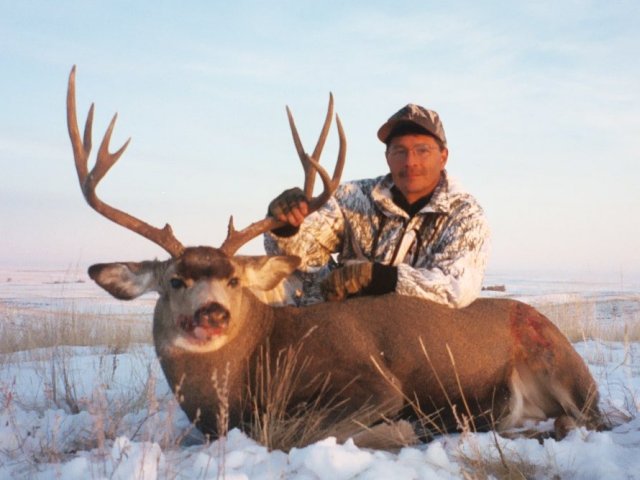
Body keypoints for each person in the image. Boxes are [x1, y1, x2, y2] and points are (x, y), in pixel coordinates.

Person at [264, 103, 490, 308]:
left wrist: (380, 278)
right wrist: (286, 225)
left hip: (416, 334)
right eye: (399, 151)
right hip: (342, 322)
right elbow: (295, 257)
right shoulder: (352, 197)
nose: (410, 161)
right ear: (387, 158)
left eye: (422, 150)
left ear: (443, 157)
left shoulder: (465, 216)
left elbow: (457, 288)